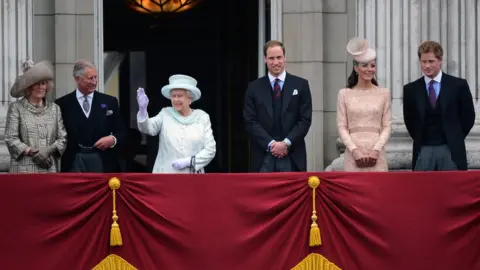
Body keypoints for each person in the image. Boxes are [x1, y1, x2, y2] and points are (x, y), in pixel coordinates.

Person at [403, 41, 475, 171]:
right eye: (423, 62)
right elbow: (409, 120)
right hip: (423, 149)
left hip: (451, 150)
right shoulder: (411, 89)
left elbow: (468, 117)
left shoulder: (458, 85)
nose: (427, 66)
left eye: (431, 61)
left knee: (451, 190)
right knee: (423, 190)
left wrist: (455, 137)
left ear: (440, 60)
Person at [243, 40, 312, 172]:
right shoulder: (253, 88)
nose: (275, 62)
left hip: (293, 156)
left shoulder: (301, 85)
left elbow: (304, 120)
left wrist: (286, 143)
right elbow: (250, 121)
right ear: (265, 59)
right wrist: (271, 144)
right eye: (271, 58)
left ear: (285, 57)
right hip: (263, 156)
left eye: (279, 57)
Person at [55, 60, 127, 173]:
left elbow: (122, 132)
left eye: (95, 77)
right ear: (77, 79)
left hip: (103, 161)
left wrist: (112, 139)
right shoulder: (62, 104)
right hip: (73, 162)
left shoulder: (109, 101)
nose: (94, 82)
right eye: (90, 78)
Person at [136, 74, 216, 173]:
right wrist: (143, 109)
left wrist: (189, 162)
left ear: (190, 98)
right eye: (173, 96)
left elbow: (210, 149)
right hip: (166, 176)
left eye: (180, 96)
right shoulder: (165, 114)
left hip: (192, 176)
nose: (176, 99)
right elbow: (148, 128)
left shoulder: (202, 117)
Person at [337, 37, 392, 172]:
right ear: (356, 67)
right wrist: (354, 150)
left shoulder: (384, 93)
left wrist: (376, 149)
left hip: (377, 154)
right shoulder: (344, 94)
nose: (369, 69)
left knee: (378, 192)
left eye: (372, 65)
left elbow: (387, 126)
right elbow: (342, 126)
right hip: (353, 154)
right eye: (365, 65)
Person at [4, 59, 67, 173]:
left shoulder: (55, 109)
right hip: (23, 170)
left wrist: (47, 151)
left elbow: (62, 139)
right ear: (28, 87)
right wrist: (31, 151)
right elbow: (11, 138)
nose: (40, 87)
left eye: (43, 83)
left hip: (49, 168)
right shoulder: (16, 108)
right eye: (35, 84)